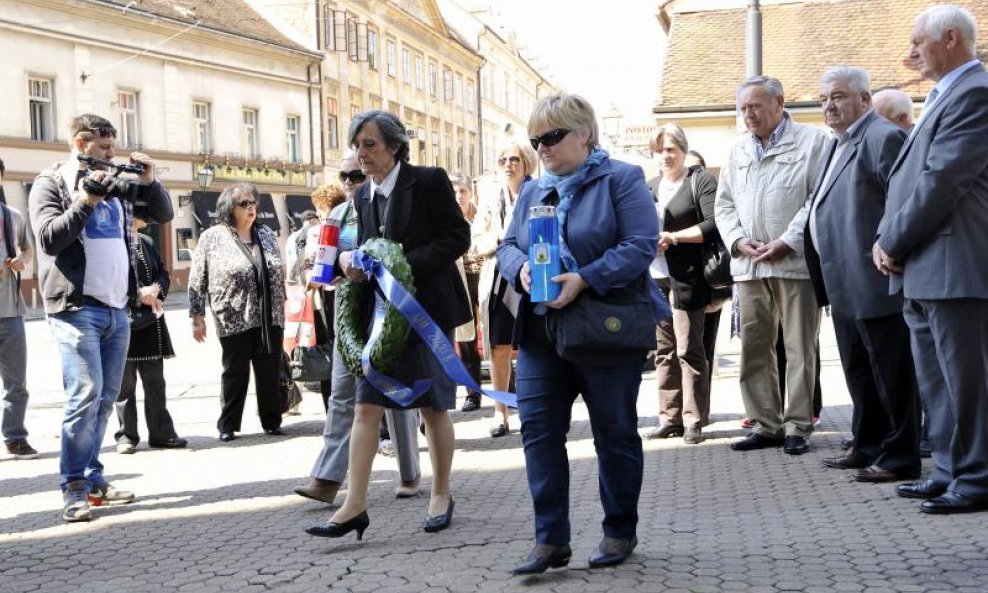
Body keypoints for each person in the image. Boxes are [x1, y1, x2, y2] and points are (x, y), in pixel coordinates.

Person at [497, 92, 664, 573]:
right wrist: (523, 269)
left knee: (614, 433)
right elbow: (508, 245)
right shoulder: (533, 190)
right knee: (539, 434)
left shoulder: (621, 178)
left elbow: (639, 246)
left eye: (552, 136)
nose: (542, 147)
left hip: (603, 328)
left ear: (585, 133)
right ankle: (550, 539)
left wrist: (585, 277)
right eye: (536, 139)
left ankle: (619, 530)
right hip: (542, 333)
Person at [305, 110, 469, 539]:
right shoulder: (361, 196)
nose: (361, 154)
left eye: (369, 145)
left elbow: (457, 238)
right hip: (380, 317)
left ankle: (441, 492)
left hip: (427, 310)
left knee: (433, 407)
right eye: (357, 145)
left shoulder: (429, 181)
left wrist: (401, 265)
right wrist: (350, 263)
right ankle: (353, 505)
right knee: (364, 405)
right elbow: (364, 248)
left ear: (394, 146)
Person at [29, 113, 173, 522]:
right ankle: (73, 485)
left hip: (117, 307)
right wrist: (86, 200)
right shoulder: (51, 182)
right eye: (104, 148)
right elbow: (49, 238)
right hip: (76, 309)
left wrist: (149, 180)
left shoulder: (119, 183)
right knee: (84, 395)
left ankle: (93, 479)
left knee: (106, 399)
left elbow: (161, 213)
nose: (112, 155)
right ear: (80, 143)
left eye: (113, 147)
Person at [875, 5, 988, 514]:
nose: (911, 52)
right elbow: (912, 182)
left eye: (919, 41)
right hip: (925, 263)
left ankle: (978, 477)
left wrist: (892, 241)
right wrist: (890, 239)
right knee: (937, 381)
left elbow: (941, 182)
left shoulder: (975, 94)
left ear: (949, 38)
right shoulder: (946, 95)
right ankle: (947, 469)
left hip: (954, 263)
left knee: (967, 381)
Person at [804, 66, 919, 483]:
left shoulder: (881, 136)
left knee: (891, 373)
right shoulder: (839, 142)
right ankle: (867, 443)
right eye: (822, 99)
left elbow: (904, 201)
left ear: (865, 100)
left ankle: (900, 455)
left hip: (875, 278)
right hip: (844, 280)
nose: (828, 105)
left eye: (837, 96)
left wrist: (891, 246)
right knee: (859, 371)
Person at [294, 150, 422, 504]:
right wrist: (321, 271)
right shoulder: (336, 215)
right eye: (344, 177)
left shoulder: (386, 205)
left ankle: (409, 472)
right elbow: (321, 263)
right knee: (341, 395)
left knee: (394, 394)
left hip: (388, 309)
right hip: (348, 311)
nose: (349, 183)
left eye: (356, 176)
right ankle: (327, 478)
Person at [715, 76, 828, 456]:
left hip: (793, 262)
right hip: (749, 267)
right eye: (743, 108)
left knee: (799, 346)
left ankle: (797, 425)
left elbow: (817, 199)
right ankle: (765, 424)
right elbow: (724, 204)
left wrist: (787, 241)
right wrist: (736, 241)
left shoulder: (814, 142)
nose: (748, 115)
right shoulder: (736, 151)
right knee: (755, 348)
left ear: (779, 103)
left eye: (756, 107)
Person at [188, 183, 286, 442]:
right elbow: (197, 278)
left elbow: (278, 270)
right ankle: (228, 425)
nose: (251, 208)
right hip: (233, 316)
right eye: (244, 204)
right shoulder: (213, 237)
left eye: (253, 203)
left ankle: (272, 421)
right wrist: (197, 317)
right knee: (235, 372)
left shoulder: (265, 233)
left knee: (269, 371)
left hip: (270, 316)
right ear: (230, 208)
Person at [644, 124, 719, 445]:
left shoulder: (699, 180)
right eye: (660, 150)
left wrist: (674, 236)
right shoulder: (650, 186)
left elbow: (713, 223)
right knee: (664, 351)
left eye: (671, 149)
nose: (665, 155)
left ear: (683, 150)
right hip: (655, 276)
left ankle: (693, 419)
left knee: (690, 348)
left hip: (688, 276)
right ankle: (669, 417)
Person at [472, 141, 536, 436]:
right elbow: (476, 242)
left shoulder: (538, 191)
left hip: (531, 275)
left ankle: (533, 410)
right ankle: (501, 413)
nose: (508, 164)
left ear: (526, 164)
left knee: (531, 347)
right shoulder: (489, 199)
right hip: (497, 277)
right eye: (502, 160)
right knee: (499, 347)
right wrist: (501, 238)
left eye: (514, 159)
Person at [113, 214, 187, 454]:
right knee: (124, 386)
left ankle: (162, 433)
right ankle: (126, 436)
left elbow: (163, 273)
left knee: (156, 383)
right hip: (123, 320)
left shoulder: (146, 241)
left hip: (151, 321)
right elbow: (111, 279)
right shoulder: (113, 240)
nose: (149, 214)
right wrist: (138, 294)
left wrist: (156, 288)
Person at [1, 172, 37, 460]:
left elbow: (28, 249)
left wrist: (23, 261)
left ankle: (15, 437)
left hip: (11, 311)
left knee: (17, 383)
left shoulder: (12, 216)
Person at [452, 175, 484, 413]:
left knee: (496, 336)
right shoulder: (447, 218)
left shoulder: (482, 216)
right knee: (467, 339)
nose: (459, 196)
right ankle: (472, 393)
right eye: (455, 191)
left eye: (462, 190)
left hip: (484, 278)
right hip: (460, 281)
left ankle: (509, 384)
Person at [285, 209, 321, 284]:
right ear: (312, 220)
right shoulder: (315, 232)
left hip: (298, 276)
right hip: (313, 274)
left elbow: (290, 259)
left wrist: (290, 277)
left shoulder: (292, 236)